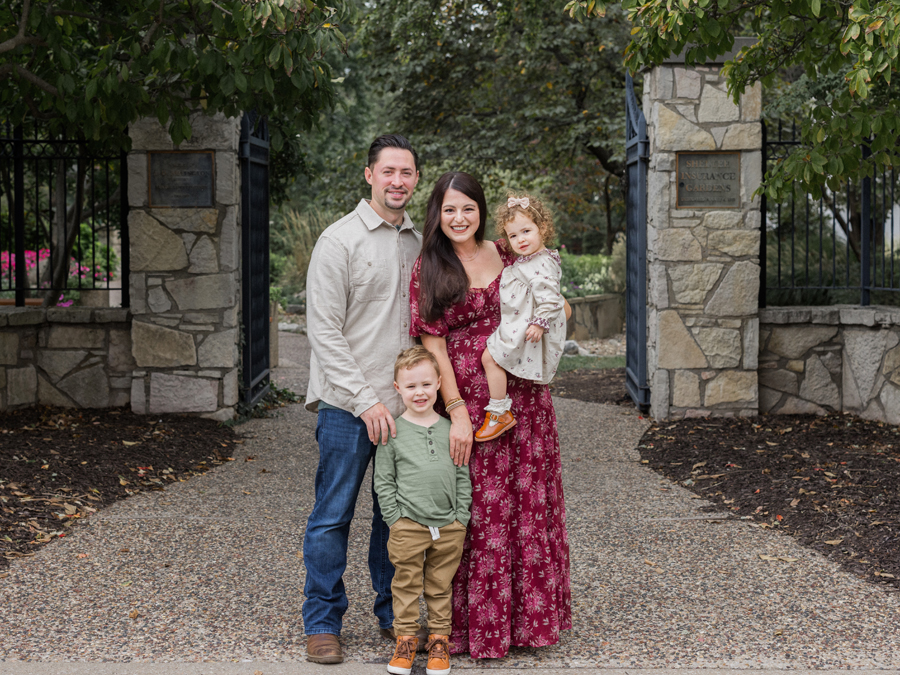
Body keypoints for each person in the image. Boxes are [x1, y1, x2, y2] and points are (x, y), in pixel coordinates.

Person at [409, 172, 572, 659]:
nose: (459, 219)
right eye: (449, 209)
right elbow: (432, 345)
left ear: (482, 212)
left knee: (525, 503)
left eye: (468, 209)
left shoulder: (509, 251)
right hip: (469, 405)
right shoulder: (429, 266)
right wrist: (456, 410)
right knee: (476, 510)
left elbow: (550, 287)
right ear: (437, 213)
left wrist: (558, 310)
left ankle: (528, 621)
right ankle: (473, 624)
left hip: (521, 397)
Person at [302, 134, 423, 665]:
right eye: (389, 171)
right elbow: (324, 331)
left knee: (394, 518)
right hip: (348, 409)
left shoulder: (423, 242)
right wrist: (365, 400)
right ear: (369, 175)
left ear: (416, 179)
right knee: (333, 515)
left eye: (408, 173)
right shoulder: (339, 241)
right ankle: (322, 622)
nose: (398, 181)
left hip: (407, 409)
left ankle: (391, 614)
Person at [374, 346, 472, 675]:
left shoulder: (451, 430)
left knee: (440, 586)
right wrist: (396, 521)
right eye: (411, 386)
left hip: (448, 526)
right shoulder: (393, 432)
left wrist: (461, 518)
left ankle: (439, 642)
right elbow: (384, 483)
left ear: (439, 384)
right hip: (408, 527)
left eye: (427, 385)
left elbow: (462, 476)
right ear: (398, 388)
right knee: (405, 585)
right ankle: (405, 641)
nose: (420, 393)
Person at [476, 193, 566, 442]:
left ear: (543, 228)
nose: (520, 239)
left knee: (490, 357)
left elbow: (550, 298)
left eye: (526, 231)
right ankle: (499, 410)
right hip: (521, 322)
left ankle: (498, 412)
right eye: (513, 235)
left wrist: (539, 323)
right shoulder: (531, 260)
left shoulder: (541, 263)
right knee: (491, 357)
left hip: (528, 326)